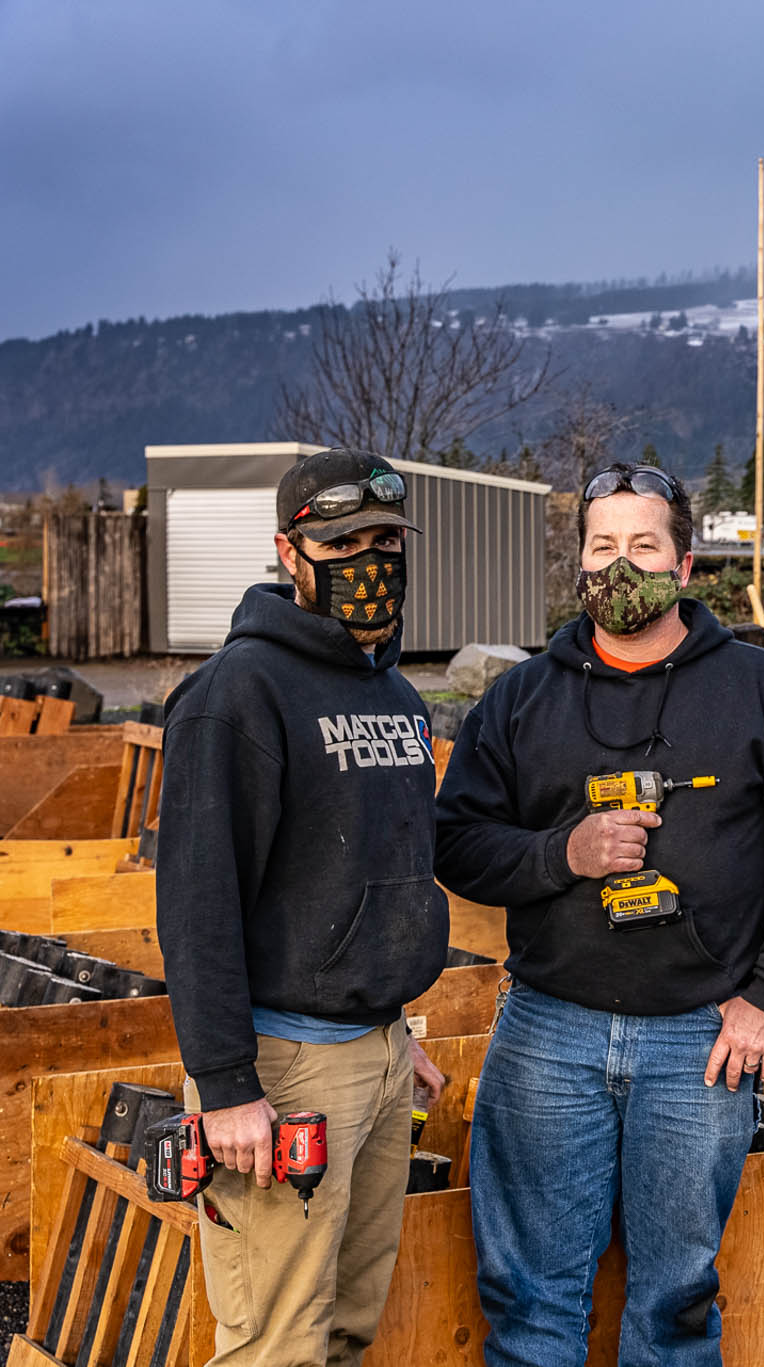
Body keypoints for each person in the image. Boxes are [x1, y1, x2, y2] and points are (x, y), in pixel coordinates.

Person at [434, 462, 764, 1367]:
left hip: (698, 1039)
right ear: (579, 563)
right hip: (549, 1028)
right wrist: (564, 854)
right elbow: (456, 841)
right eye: (602, 547)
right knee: (532, 1301)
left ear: (687, 563)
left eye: (644, 545)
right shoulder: (519, 699)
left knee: (673, 1306)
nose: (621, 565)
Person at [157, 447, 449, 1366]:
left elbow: (381, 870)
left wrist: (394, 1032)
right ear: (291, 552)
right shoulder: (237, 695)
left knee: (351, 1327)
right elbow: (197, 905)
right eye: (344, 541)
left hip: (379, 1055)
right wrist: (226, 1085)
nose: (371, 561)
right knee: (274, 1340)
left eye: (385, 540)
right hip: (283, 1075)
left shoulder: (396, 693)